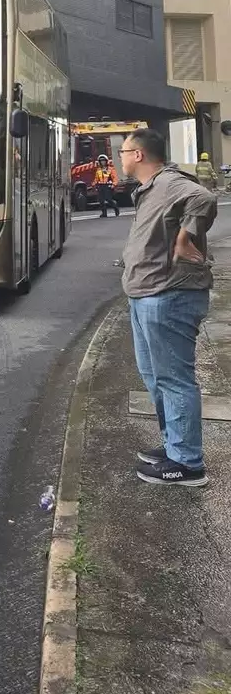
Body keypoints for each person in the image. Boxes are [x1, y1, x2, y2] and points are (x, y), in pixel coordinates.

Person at [118, 128, 218, 488]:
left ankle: (187, 463)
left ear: (139, 155)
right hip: (148, 295)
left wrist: (184, 237)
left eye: (123, 151)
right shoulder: (151, 189)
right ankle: (175, 445)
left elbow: (204, 198)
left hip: (169, 296)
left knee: (174, 379)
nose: (120, 157)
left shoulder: (169, 183)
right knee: (155, 377)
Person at [93, 153, 119, 218]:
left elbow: (115, 178)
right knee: (101, 200)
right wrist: (94, 184)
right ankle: (104, 213)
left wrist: (114, 184)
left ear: (106, 161)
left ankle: (115, 208)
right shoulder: (98, 170)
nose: (103, 162)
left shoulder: (111, 169)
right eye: (101, 161)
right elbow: (96, 178)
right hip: (100, 186)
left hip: (108, 186)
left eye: (104, 161)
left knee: (108, 199)